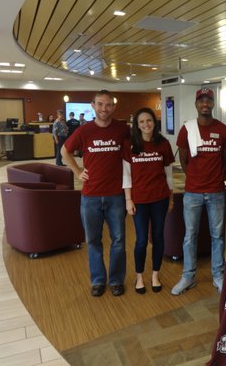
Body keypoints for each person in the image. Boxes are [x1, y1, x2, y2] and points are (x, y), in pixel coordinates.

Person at [61, 90, 130, 297]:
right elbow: (65, 152)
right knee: (93, 241)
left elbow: (130, 156)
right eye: (100, 104)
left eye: (108, 105)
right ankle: (98, 280)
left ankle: (116, 280)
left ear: (113, 107)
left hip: (116, 195)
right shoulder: (85, 131)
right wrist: (78, 171)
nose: (104, 109)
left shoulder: (122, 129)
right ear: (93, 105)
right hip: (90, 196)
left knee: (118, 240)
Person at [171, 88, 226, 295]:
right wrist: (196, 177)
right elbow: (183, 160)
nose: (205, 104)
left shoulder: (223, 130)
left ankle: (218, 275)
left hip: (216, 191)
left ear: (213, 103)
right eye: (201, 100)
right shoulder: (187, 129)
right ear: (196, 104)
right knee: (190, 236)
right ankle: (188, 276)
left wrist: (214, 177)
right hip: (192, 193)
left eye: (208, 100)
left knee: (218, 236)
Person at [122, 107, 174, 294]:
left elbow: (168, 175)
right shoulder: (130, 145)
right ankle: (139, 276)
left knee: (158, 237)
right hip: (140, 200)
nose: (146, 124)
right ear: (137, 125)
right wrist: (128, 200)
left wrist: (171, 198)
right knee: (142, 240)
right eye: (142, 122)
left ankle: (154, 274)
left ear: (154, 122)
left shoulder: (163, 144)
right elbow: (126, 176)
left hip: (160, 198)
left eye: (149, 120)